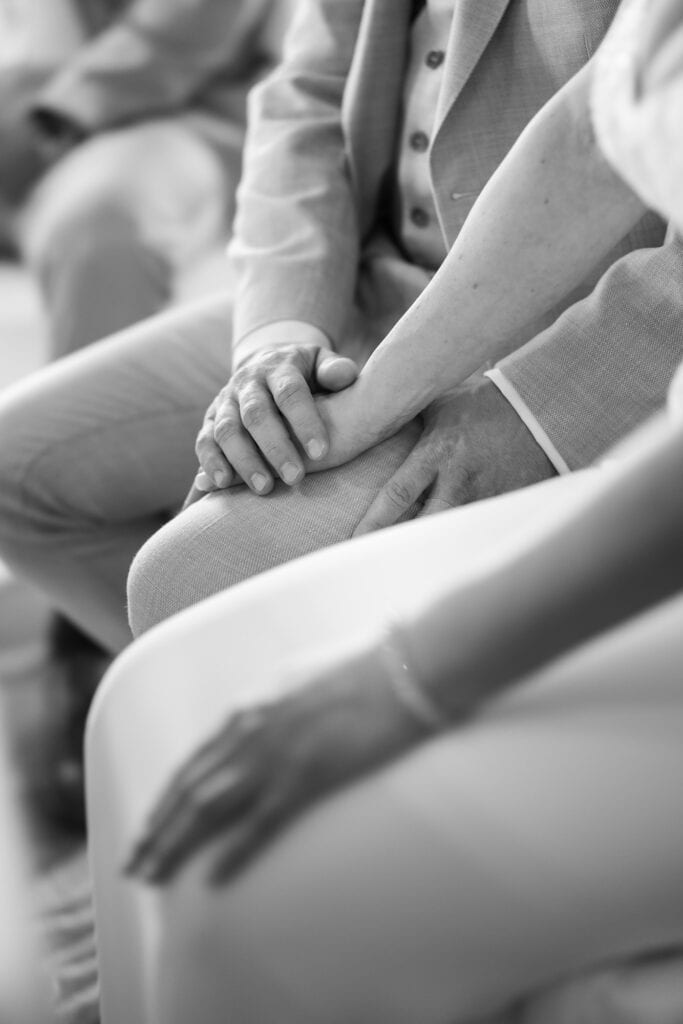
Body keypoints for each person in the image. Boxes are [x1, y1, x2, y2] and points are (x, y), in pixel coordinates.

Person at [115, 1, 683, 1020]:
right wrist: (346, 396)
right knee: (59, 510)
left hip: (590, 364)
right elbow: (597, 127)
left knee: (186, 604)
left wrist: (407, 677)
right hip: (378, 295)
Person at [0, 0, 680, 658]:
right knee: (16, 468)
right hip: (368, 284)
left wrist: (532, 408)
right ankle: (255, 721)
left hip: (563, 325)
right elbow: (305, 94)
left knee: (183, 584)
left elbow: (599, 131)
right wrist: (274, 343)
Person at [0, 0, 287, 359]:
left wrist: (51, 116)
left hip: (185, 113)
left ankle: (96, 413)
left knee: (101, 228)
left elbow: (184, 30)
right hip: (34, 105)